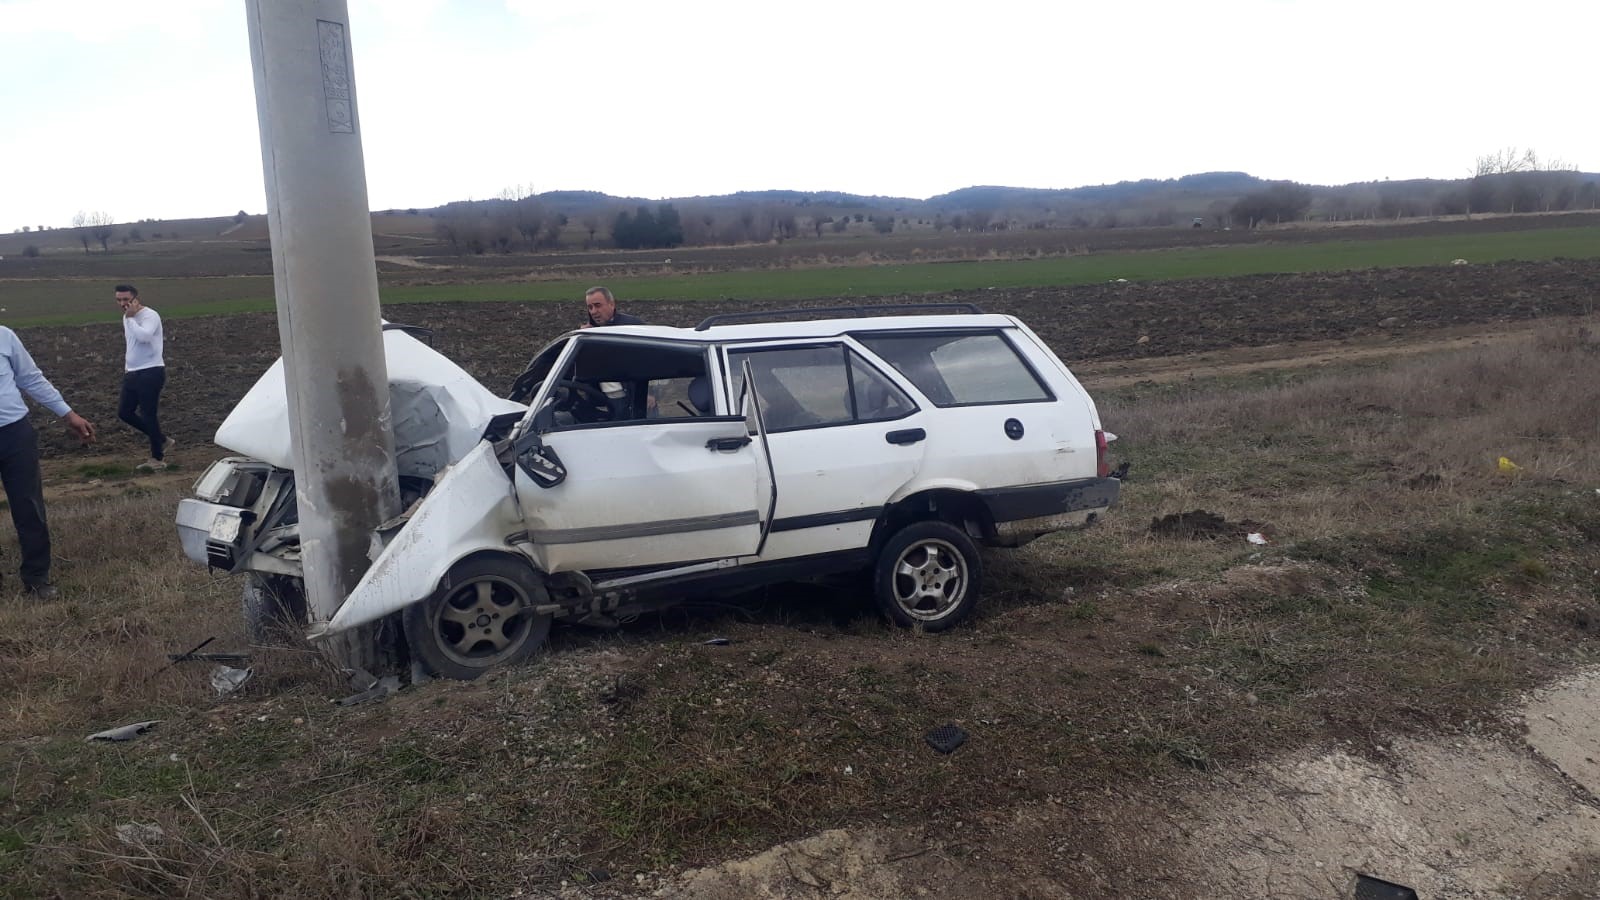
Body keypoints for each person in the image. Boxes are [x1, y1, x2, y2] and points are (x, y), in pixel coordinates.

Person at [0, 326, 96, 599]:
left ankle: (36, 579)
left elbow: (31, 379)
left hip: (14, 434)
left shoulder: (4, 336)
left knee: (29, 508)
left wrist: (68, 415)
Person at [114, 284, 172, 470]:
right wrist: (127, 368)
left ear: (135, 299)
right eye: (119, 299)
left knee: (149, 415)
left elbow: (144, 337)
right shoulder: (127, 317)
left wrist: (131, 319)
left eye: (126, 299)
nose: (122, 303)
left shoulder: (150, 316)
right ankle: (161, 439)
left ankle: (158, 459)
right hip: (132, 373)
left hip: (151, 371)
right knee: (124, 412)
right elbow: (131, 344)